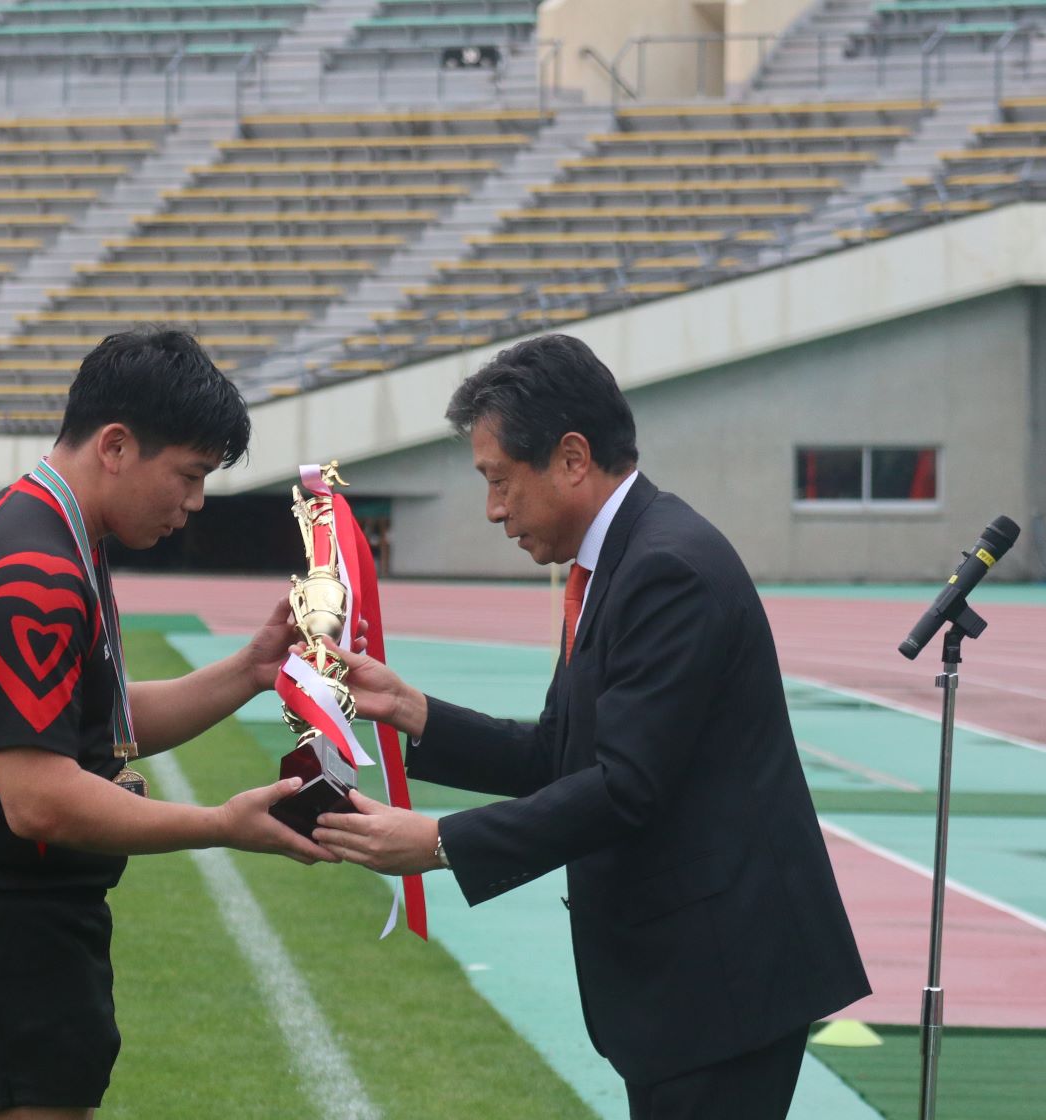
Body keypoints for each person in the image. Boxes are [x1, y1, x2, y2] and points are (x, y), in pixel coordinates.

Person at [313, 334, 871, 1120]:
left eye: (500, 480)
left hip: (723, 986)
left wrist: (440, 843)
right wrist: (415, 711)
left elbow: (625, 789)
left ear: (572, 458)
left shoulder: (665, 568)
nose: (493, 509)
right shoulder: (617, 561)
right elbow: (558, 753)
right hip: (693, 985)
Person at [0, 327, 336, 1120]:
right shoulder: (37, 569)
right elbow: (39, 797)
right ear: (115, 445)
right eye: (187, 475)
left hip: (10, 915)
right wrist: (220, 822)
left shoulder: (57, 530)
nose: (194, 502)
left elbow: (89, 725)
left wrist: (252, 669)